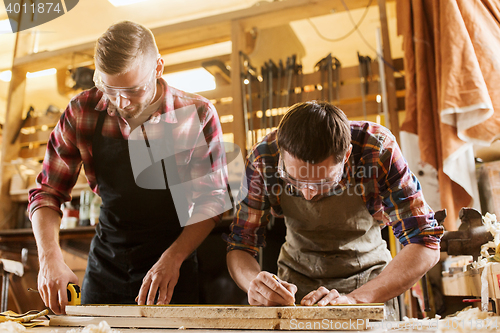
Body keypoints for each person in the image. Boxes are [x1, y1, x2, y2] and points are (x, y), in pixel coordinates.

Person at [28, 21, 228, 314]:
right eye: (109, 89)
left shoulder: (196, 115)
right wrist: (49, 258)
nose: (121, 102)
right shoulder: (82, 111)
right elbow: (47, 191)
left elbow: (213, 200)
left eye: (133, 89)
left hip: (173, 259)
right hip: (107, 260)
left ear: (158, 68)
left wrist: (174, 258)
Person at [225, 101, 443, 320]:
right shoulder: (264, 158)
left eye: (322, 183)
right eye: (293, 180)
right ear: (282, 155)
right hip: (295, 291)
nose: (308, 194)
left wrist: (355, 299)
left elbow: (425, 242)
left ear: (346, 156)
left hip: (370, 289)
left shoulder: (376, 150)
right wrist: (254, 283)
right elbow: (241, 245)